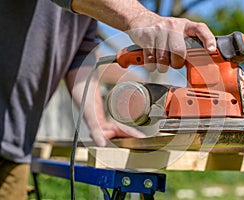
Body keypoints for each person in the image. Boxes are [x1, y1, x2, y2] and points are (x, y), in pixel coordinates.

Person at [0, 0, 216, 199]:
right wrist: (140, 18)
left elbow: (80, 57)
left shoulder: (87, 13)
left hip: (15, 145)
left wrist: (99, 124)